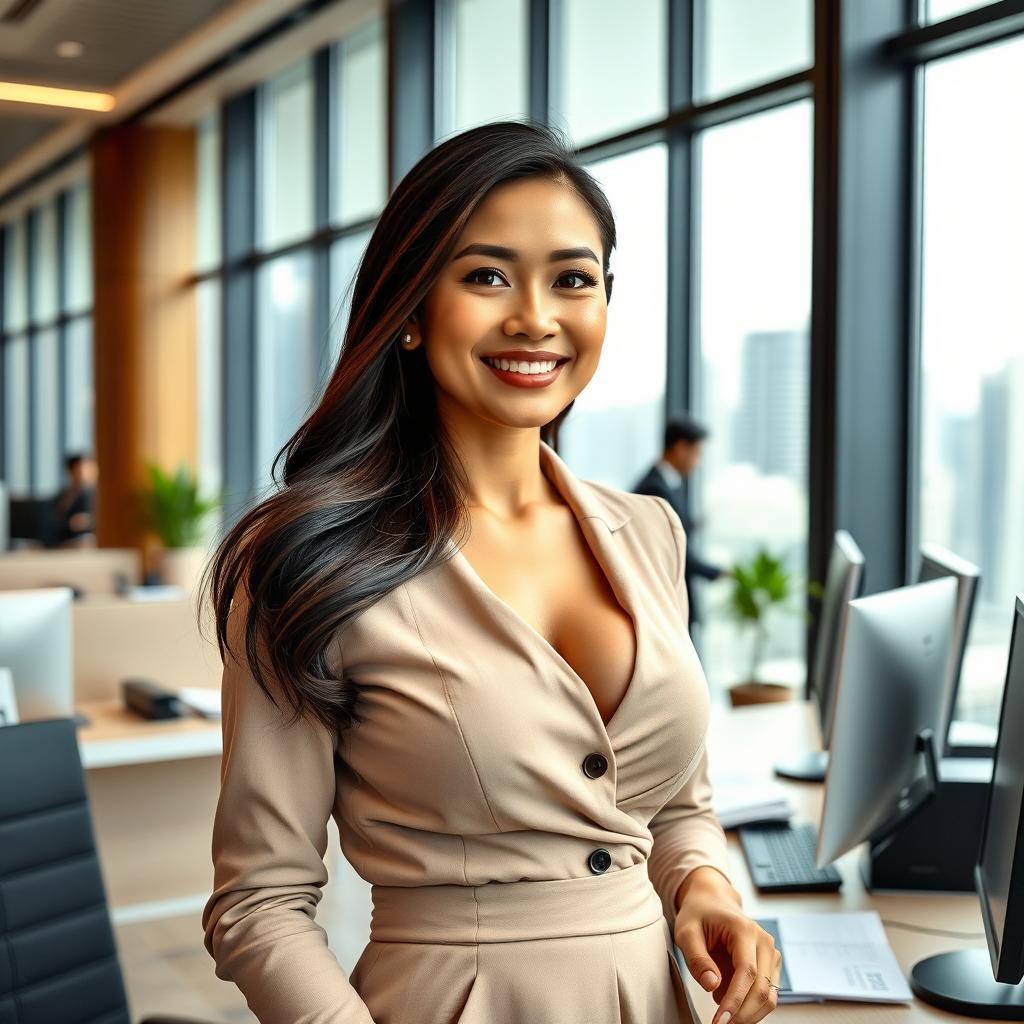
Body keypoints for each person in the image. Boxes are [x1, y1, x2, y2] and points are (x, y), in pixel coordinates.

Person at [200, 121, 781, 1024]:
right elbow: (258, 905)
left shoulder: (649, 533)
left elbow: (672, 806)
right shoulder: (312, 561)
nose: (535, 318)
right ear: (410, 309)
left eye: (573, 279)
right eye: (486, 275)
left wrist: (702, 886)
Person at [633, 415, 729, 639]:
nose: (698, 463)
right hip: (663, 599)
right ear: (680, 448)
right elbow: (670, 549)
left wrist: (692, 525)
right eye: (697, 454)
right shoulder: (655, 489)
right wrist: (717, 572)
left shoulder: (666, 484)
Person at [55, 452, 98, 547]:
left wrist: (89, 520)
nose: (84, 472)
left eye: (88, 468)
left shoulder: (98, 494)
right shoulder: (65, 495)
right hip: (68, 538)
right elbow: (55, 520)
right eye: (79, 469)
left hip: (90, 537)